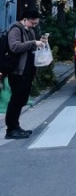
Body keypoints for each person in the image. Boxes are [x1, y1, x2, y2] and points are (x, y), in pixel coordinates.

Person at [5, 8, 47, 140]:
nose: (34, 25)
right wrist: (33, 43)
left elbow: (31, 47)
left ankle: (16, 126)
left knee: (22, 99)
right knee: (16, 100)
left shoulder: (30, 31)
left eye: (36, 23)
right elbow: (14, 47)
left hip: (28, 70)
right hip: (17, 71)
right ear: (25, 19)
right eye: (32, 23)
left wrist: (39, 44)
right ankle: (11, 129)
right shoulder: (15, 29)